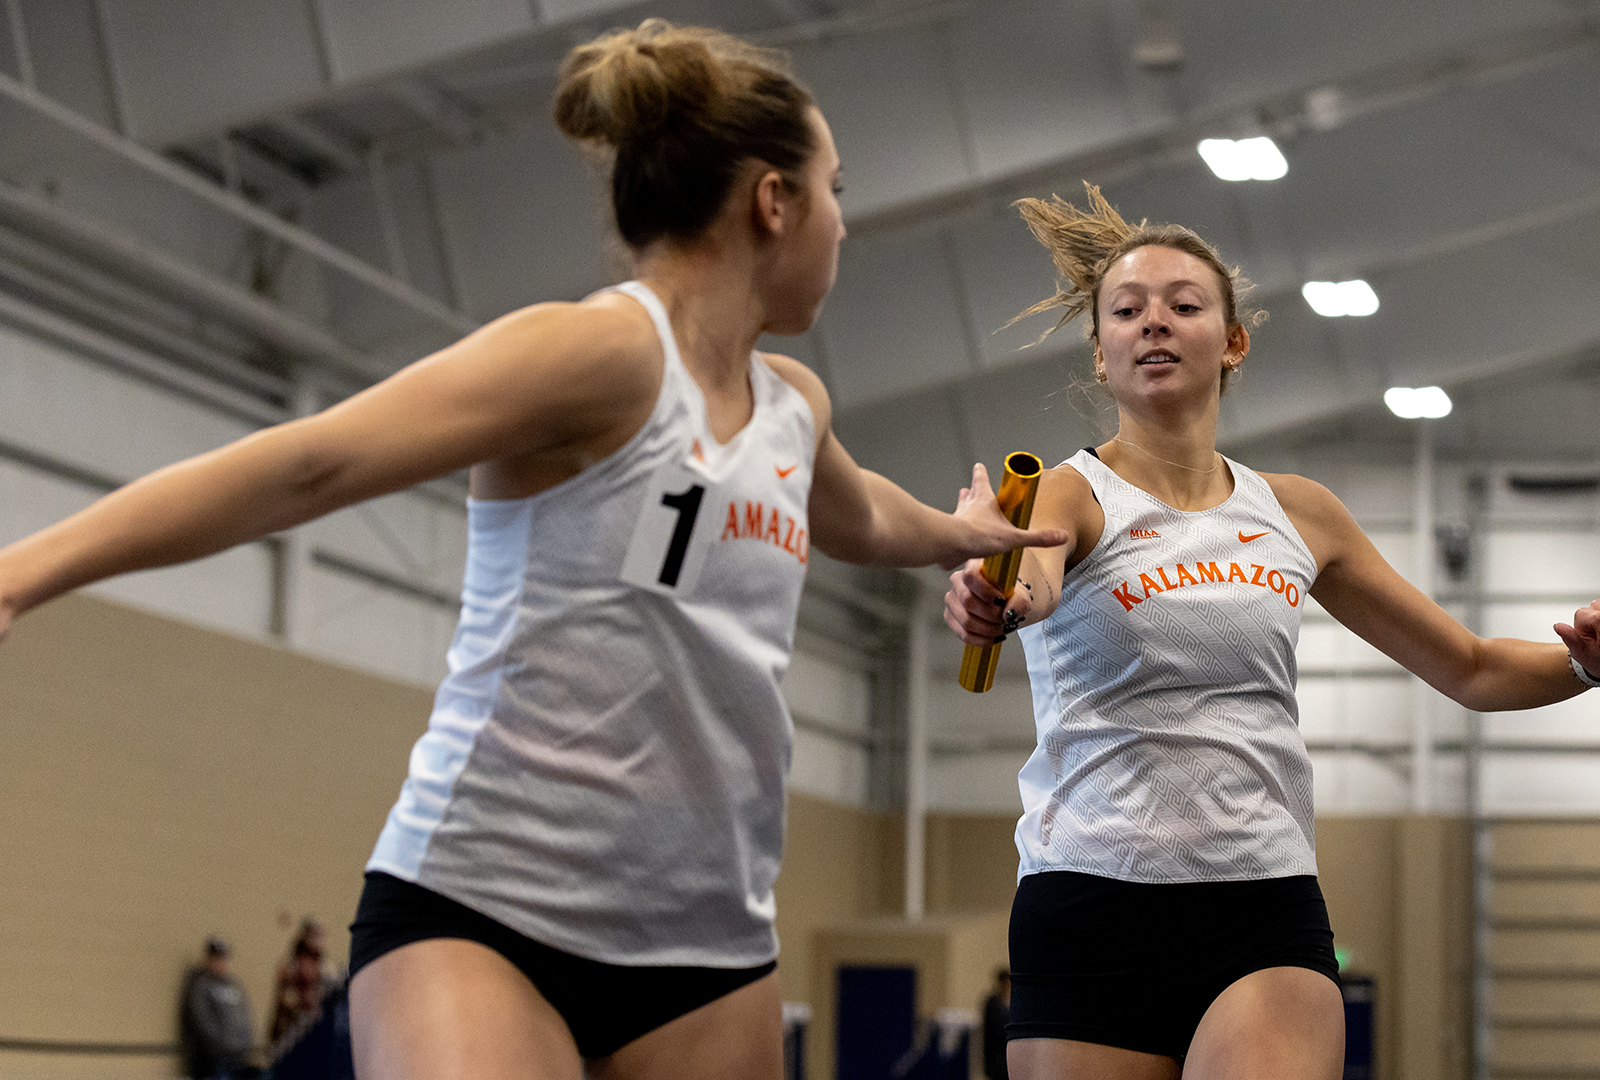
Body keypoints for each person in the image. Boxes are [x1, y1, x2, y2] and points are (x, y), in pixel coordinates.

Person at [0, 20, 1062, 1080]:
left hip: (708, 948)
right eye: (837, 189)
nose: (844, 224)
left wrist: (958, 535)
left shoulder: (794, 409)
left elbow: (862, 518)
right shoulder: (601, 353)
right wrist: (23, 570)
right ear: (773, 202)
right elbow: (312, 463)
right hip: (486, 912)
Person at [942, 185, 1600, 1080]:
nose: (1153, 322)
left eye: (1183, 305)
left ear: (1232, 341)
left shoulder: (1298, 513)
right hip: (1089, 905)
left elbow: (1469, 667)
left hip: (1260, 909)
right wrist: (985, 584)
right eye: (1126, 310)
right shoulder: (1062, 493)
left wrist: (1585, 665)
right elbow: (1021, 584)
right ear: (1101, 352)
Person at [180, 937, 254, 1080]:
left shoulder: (235, 986)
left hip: (237, 1057)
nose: (220, 963)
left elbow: (244, 1018)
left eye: (223, 958)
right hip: (211, 1058)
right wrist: (220, 1046)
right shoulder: (201, 986)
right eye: (216, 958)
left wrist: (244, 1045)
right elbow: (201, 1020)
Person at [268, 919, 328, 1048]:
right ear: (305, 937)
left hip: (314, 1028)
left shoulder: (321, 965)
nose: (320, 941)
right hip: (294, 1031)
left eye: (321, 936)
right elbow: (287, 1000)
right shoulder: (292, 964)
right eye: (315, 936)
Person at [982, 968, 1012, 1080]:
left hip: (1007, 1053)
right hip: (995, 1055)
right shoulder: (992, 1003)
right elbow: (988, 1032)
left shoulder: (1012, 1002)